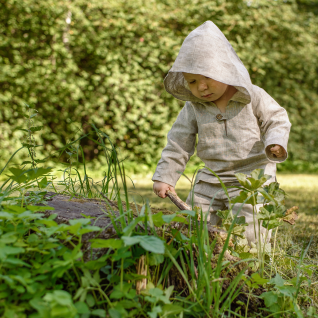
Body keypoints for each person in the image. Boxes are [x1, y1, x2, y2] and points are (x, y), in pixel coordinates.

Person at [152, 21, 291, 244]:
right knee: (195, 223)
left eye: (207, 77)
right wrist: (165, 176)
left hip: (252, 175)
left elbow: (277, 119)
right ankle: (201, 258)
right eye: (193, 81)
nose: (202, 87)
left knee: (252, 226)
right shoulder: (194, 107)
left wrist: (275, 141)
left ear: (225, 70)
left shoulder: (253, 96)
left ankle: (251, 262)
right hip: (211, 176)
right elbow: (179, 141)